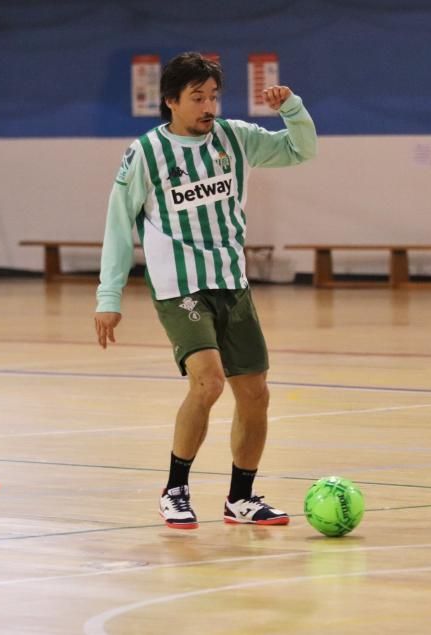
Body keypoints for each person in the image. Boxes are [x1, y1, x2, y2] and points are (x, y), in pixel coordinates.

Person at [94, 52, 316, 529]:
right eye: (197, 98)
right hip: (180, 286)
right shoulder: (146, 153)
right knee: (209, 382)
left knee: (255, 393)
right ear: (171, 101)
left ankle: (241, 498)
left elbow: (301, 150)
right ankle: (175, 490)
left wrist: (291, 108)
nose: (209, 106)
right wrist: (108, 297)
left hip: (231, 281)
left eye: (214, 96)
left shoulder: (235, 138)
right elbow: (118, 225)